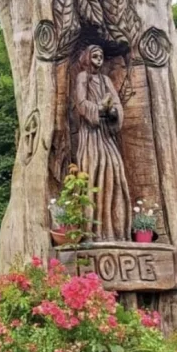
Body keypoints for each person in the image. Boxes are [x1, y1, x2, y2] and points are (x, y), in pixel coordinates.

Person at [75, 45, 131, 241]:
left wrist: (113, 112)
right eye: (95, 56)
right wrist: (98, 109)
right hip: (90, 135)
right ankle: (90, 232)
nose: (99, 60)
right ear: (87, 58)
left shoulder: (106, 80)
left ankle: (115, 232)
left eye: (101, 56)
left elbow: (116, 104)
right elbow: (81, 104)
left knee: (114, 171)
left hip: (106, 135)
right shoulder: (83, 77)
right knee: (92, 174)